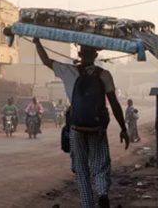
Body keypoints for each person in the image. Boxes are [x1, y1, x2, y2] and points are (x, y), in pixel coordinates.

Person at [34, 38, 129, 208]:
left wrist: (36, 42)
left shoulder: (68, 71)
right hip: (97, 127)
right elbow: (114, 103)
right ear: (95, 55)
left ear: (80, 54)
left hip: (76, 127)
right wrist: (123, 128)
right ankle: (102, 194)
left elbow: (46, 61)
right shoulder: (104, 75)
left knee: (81, 169)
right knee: (101, 164)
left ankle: (87, 204)